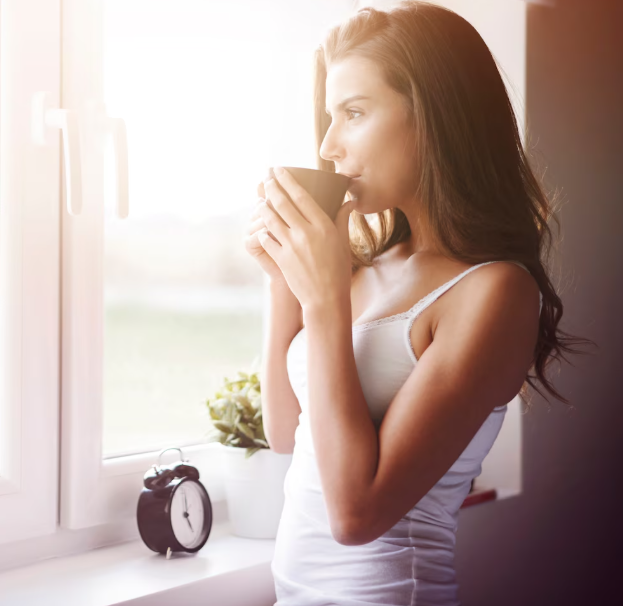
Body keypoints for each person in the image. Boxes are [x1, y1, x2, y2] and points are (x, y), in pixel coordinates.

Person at [242, 2, 594, 605]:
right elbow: (283, 434)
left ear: (434, 116)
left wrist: (325, 304)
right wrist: (285, 281)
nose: (328, 147)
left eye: (354, 113)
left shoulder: (495, 292)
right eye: (330, 116)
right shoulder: (360, 269)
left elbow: (356, 516)